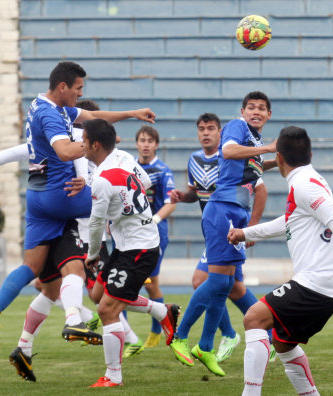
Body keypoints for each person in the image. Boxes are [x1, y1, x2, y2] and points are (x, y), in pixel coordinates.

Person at [0, 61, 156, 351]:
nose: (79, 94)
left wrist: (131, 113)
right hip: (64, 197)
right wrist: (97, 147)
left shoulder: (45, 107)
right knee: (113, 200)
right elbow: (65, 152)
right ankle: (127, 261)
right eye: (78, 88)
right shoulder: (53, 118)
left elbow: (92, 115)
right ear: (63, 87)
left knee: (33, 269)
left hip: (37, 199)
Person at [227, 126, 333, 395]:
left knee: (254, 318)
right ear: (311, 154)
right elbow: (291, 221)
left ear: (279, 158)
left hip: (318, 282)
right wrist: (246, 233)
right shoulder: (311, 180)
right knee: (283, 343)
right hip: (325, 284)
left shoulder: (304, 185)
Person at [169, 91, 277, 376]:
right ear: (242, 111)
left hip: (236, 211)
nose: (256, 111)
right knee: (216, 281)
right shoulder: (238, 127)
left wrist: (281, 158)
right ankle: (180, 336)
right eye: (251, 107)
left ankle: (205, 346)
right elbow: (228, 151)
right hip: (222, 209)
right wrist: (268, 148)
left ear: (269, 115)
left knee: (225, 284)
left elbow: (252, 167)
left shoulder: (252, 141)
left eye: (262, 108)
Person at [82, 119, 179, 387]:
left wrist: (92, 255)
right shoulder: (124, 157)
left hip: (139, 248)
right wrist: (125, 208)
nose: (81, 145)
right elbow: (144, 182)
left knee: (106, 310)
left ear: (95, 144)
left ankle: (113, 375)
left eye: (84, 141)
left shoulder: (101, 179)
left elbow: (96, 223)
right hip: (126, 245)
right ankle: (161, 311)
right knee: (97, 294)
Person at [134, 125, 177, 348]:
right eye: (142, 140)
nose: (146, 144)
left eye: (150, 141)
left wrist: (154, 220)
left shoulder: (162, 170)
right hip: (131, 233)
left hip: (155, 233)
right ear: (137, 143)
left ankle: (156, 332)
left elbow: (171, 202)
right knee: (131, 282)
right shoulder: (129, 167)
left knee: (150, 284)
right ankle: (130, 334)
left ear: (156, 145)